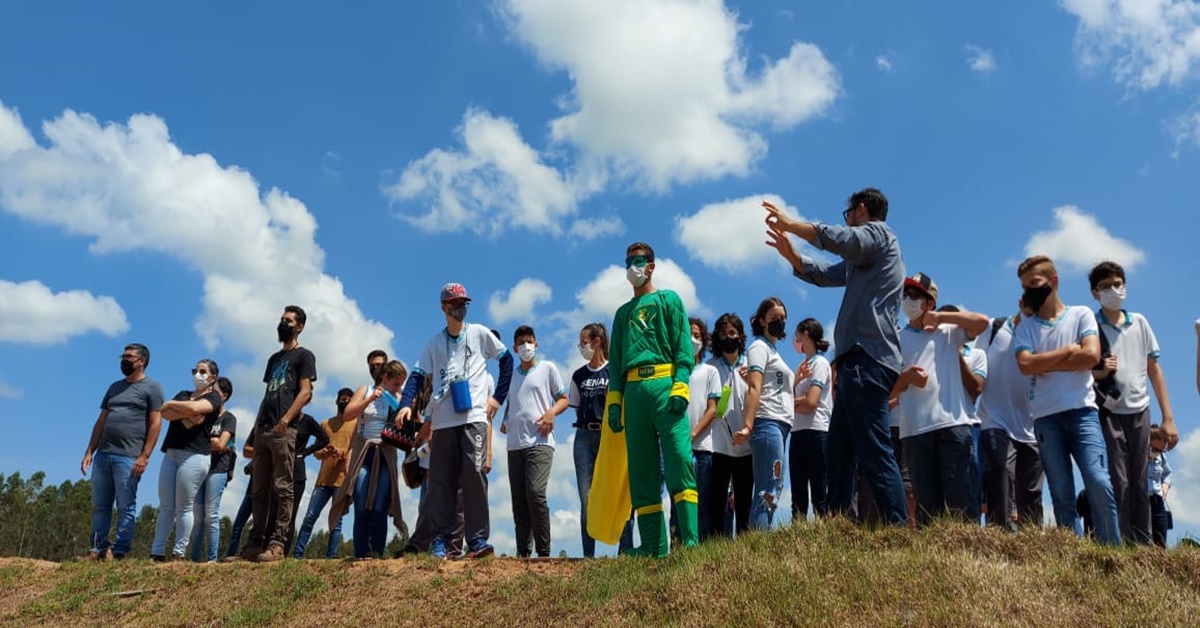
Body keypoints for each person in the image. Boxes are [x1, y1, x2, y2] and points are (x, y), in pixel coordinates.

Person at [764, 189, 909, 526]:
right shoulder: (865, 260)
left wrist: (791, 225)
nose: (848, 221)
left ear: (861, 209)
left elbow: (841, 240)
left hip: (866, 361)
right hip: (855, 365)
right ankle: (837, 526)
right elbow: (828, 274)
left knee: (874, 450)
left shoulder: (879, 235)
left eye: (849, 214)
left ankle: (898, 527)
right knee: (838, 452)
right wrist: (792, 256)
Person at [397, 283, 513, 560]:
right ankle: (440, 540)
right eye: (455, 303)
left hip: (474, 418)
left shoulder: (480, 333)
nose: (460, 308)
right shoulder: (434, 343)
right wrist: (404, 405)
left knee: (474, 475)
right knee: (441, 481)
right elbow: (416, 375)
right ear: (444, 307)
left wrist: (497, 397)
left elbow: (507, 360)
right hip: (443, 421)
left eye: (464, 303)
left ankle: (477, 539)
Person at [1013, 255, 1120, 545]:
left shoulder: (1081, 314)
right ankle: (1072, 552)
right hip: (1045, 418)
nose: (1029, 291)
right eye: (1024, 286)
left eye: (1034, 283)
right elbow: (1025, 365)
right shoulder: (1025, 328)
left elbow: (1091, 355)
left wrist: (1045, 362)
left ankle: (1112, 551)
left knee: (1098, 481)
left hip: (1083, 412)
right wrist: (1068, 352)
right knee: (1061, 493)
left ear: (1054, 281)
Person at [605, 242, 698, 557]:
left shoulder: (669, 300)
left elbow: (683, 347)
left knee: (679, 459)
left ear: (652, 266)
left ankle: (690, 541)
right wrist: (615, 402)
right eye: (629, 262)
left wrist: (681, 385)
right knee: (642, 470)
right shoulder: (622, 314)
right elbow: (615, 365)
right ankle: (652, 546)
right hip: (633, 391)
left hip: (665, 385)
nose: (633, 267)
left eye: (639, 261)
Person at [1088, 261, 1177, 544]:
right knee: (1118, 479)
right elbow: (1078, 371)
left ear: (1125, 286)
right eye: (1105, 286)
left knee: (1141, 479)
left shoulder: (1139, 322)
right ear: (1094, 292)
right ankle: (1118, 540)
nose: (1113, 290)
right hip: (1108, 411)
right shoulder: (1090, 325)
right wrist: (1099, 372)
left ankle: (1142, 542)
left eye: (1117, 284)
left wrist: (1168, 417)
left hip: (1140, 409)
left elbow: (1154, 369)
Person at [890, 275, 989, 525]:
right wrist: (906, 378)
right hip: (914, 432)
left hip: (952, 426)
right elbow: (887, 393)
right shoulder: (897, 340)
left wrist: (941, 318)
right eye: (905, 295)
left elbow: (982, 322)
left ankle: (967, 549)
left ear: (929, 303)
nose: (908, 300)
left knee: (961, 505)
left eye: (915, 296)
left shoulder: (948, 332)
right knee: (927, 510)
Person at [239, 305, 318, 562]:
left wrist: (286, 419)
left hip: (284, 430)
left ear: (300, 327)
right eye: (282, 319)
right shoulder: (274, 359)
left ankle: (278, 544)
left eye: (289, 321)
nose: (283, 324)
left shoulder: (304, 355)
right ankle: (254, 544)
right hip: (264, 429)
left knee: (283, 487)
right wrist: (255, 430)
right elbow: (267, 395)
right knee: (259, 489)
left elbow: (305, 392)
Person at [81, 343, 164, 560]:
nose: (123, 361)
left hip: (129, 457)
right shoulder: (114, 387)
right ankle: (97, 549)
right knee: (100, 506)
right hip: (103, 454)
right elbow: (101, 421)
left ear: (141, 361)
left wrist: (145, 456)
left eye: (128, 357)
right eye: (122, 356)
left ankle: (119, 551)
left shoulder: (152, 388)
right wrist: (90, 451)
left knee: (126, 506)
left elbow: (156, 424)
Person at [501, 325, 568, 558]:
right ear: (514, 348)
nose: (525, 346)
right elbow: (511, 402)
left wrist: (551, 413)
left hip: (540, 440)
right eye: (521, 343)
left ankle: (544, 552)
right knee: (519, 500)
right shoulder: (510, 375)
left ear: (536, 344)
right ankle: (523, 553)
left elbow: (563, 398)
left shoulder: (548, 368)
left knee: (535, 493)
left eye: (529, 341)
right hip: (515, 443)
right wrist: (505, 420)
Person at [975, 305, 1044, 529]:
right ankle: (998, 535)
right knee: (1000, 473)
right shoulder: (993, 328)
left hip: (1031, 424)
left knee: (1031, 489)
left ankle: (1032, 540)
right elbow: (975, 361)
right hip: (994, 420)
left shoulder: (1043, 334)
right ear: (1021, 303)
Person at [151, 359, 224, 561]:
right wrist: (188, 413)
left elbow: (188, 408)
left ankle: (178, 552)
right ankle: (157, 552)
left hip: (195, 455)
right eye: (195, 370)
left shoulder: (214, 398)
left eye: (202, 371)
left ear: (213, 377)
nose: (197, 375)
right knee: (166, 505)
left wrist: (173, 405)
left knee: (184, 506)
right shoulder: (184, 394)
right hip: (172, 452)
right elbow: (165, 413)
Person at [570, 323, 633, 557]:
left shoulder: (614, 371)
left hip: (612, 436)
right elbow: (576, 407)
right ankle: (588, 554)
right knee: (587, 497)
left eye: (584, 342)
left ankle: (625, 550)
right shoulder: (578, 376)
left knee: (617, 492)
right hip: (584, 436)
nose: (581, 346)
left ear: (597, 342)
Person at [734, 297, 795, 530]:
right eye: (774, 318)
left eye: (783, 318)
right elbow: (754, 386)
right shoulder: (759, 347)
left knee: (774, 487)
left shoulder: (772, 350)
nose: (780, 322)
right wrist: (748, 425)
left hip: (779, 424)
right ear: (762, 321)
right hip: (767, 422)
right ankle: (759, 542)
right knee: (768, 488)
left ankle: (761, 537)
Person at [335, 361, 407, 559]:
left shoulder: (398, 397)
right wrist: (369, 400)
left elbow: (411, 422)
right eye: (395, 384)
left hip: (385, 453)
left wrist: (403, 408)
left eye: (401, 385)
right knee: (360, 503)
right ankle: (360, 552)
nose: (398, 388)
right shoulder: (365, 390)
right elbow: (347, 415)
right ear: (385, 378)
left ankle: (376, 552)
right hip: (364, 452)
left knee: (379, 506)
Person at [293, 388, 357, 559]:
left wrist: (342, 453)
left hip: (342, 480)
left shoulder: (356, 425)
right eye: (343, 399)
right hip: (323, 479)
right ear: (337, 401)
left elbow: (355, 451)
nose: (345, 402)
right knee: (309, 517)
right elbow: (316, 452)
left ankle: (331, 557)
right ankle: (297, 555)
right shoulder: (325, 424)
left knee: (336, 522)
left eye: (349, 400)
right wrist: (326, 451)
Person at [707, 313, 754, 536]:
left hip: (746, 445)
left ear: (741, 336)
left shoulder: (751, 365)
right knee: (717, 502)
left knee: (744, 502)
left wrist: (750, 381)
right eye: (724, 333)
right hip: (718, 446)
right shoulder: (711, 367)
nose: (728, 337)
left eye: (733, 333)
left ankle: (745, 545)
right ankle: (717, 545)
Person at [189, 376, 237, 562]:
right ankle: (193, 558)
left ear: (224, 396)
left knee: (211, 514)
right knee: (198, 517)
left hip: (218, 469)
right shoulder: (205, 417)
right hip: (200, 467)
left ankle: (212, 559)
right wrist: (213, 443)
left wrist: (211, 443)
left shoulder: (229, 419)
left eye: (216, 392)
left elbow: (221, 444)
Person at [790, 318, 833, 520]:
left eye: (797, 335)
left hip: (817, 432)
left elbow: (811, 402)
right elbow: (790, 399)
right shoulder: (802, 366)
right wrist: (798, 393)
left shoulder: (821, 363)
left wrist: (793, 404)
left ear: (805, 334)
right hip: (797, 433)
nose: (796, 339)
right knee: (797, 494)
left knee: (819, 492)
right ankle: (798, 531)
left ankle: (823, 531)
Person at [686, 317, 721, 540]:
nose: (692, 340)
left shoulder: (710, 371)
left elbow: (712, 409)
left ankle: (701, 549)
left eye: (697, 336)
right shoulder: (674, 372)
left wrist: (693, 434)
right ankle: (678, 548)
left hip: (703, 448)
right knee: (679, 502)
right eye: (688, 335)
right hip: (678, 447)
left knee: (702, 504)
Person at [284, 412, 329, 555]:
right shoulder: (282, 417)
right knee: (273, 512)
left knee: (290, 515)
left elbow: (324, 439)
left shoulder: (308, 420)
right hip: (279, 469)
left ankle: (283, 553)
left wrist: (305, 452)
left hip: (297, 472)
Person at [1147, 424, 1172, 548]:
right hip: (1142, 500)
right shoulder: (1136, 457)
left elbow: (1167, 473)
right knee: (1144, 538)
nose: (1157, 453)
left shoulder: (1161, 457)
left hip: (1158, 501)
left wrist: (1165, 487)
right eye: (1155, 449)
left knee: (1160, 541)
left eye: (1161, 450)